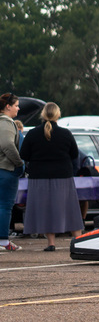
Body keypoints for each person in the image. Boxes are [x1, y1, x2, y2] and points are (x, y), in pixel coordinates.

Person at [19, 102, 83, 251]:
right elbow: (74, 154)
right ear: (58, 115)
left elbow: (24, 155)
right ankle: (78, 240)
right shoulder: (65, 134)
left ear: (43, 115)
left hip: (38, 178)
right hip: (63, 177)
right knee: (70, 209)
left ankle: (51, 243)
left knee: (46, 209)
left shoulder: (33, 133)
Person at [0, 93, 25, 251]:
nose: (18, 108)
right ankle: (3, 241)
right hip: (6, 170)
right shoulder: (7, 123)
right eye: (16, 105)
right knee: (5, 205)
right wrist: (19, 163)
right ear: (7, 106)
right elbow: (7, 144)